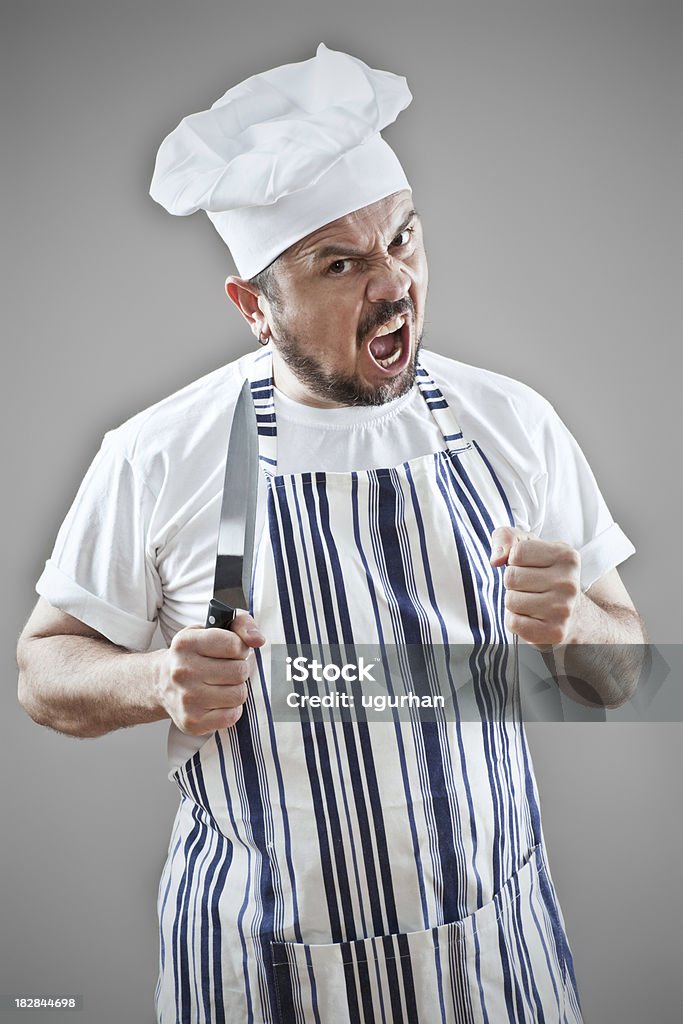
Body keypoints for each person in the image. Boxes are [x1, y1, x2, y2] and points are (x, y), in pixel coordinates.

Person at [17, 44, 645, 1024]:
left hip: (491, 964)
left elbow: (622, 676)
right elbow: (42, 669)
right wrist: (152, 681)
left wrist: (575, 629)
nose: (393, 284)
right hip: (259, 972)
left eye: (403, 241)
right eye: (341, 264)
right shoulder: (159, 455)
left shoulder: (508, 424)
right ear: (252, 308)